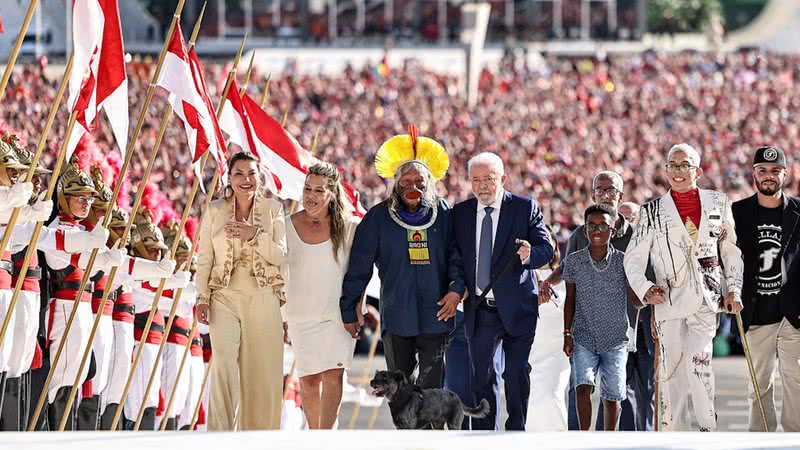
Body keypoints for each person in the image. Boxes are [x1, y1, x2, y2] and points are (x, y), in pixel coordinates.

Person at [624, 143, 743, 432]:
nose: (678, 171)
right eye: (673, 165)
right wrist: (646, 289)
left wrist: (734, 289)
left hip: (707, 297)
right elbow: (634, 259)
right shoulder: (650, 211)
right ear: (666, 170)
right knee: (672, 373)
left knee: (699, 362)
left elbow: (729, 251)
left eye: (684, 165)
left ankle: (706, 430)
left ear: (698, 171)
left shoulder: (718, 203)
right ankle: (673, 435)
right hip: (669, 301)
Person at [340, 126, 465, 391]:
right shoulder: (377, 218)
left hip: (437, 314)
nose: (413, 188)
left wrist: (456, 290)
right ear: (395, 183)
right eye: (406, 182)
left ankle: (431, 432)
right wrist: (350, 308)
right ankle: (406, 434)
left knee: (432, 391)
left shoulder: (443, 212)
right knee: (401, 392)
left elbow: (457, 254)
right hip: (397, 315)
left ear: (429, 183)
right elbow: (359, 268)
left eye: (420, 183)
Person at [540, 171, 653, 431]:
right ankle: (577, 440)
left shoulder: (637, 236)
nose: (605, 195)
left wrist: (654, 316)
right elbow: (568, 267)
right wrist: (548, 283)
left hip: (623, 328)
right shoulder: (582, 232)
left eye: (611, 191)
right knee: (580, 387)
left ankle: (610, 442)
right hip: (585, 328)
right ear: (592, 194)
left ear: (620, 196)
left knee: (616, 392)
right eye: (600, 190)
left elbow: (647, 278)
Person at [451, 152, 553, 431]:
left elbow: (547, 250)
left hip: (519, 307)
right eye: (476, 180)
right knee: (482, 377)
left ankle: (516, 430)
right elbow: (456, 258)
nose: (482, 186)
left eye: (489, 179)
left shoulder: (524, 208)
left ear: (503, 179)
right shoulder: (460, 213)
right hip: (480, 309)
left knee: (516, 373)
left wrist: (530, 254)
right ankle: (485, 436)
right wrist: (458, 288)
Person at [195, 152, 287, 430]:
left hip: (263, 298)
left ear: (260, 177)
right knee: (223, 361)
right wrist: (201, 298)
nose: (246, 180)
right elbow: (204, 258)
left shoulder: (274, 209)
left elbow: (281, 255)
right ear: (229, 178)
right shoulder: (214, 210)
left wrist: (254, 235)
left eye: (251, 174)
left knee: (261, 372)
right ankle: (220, 435)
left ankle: (257, 437)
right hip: (223, 296)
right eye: (239, 174)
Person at [43, 162, 126, 429]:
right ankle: (58, 434)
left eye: (89, 199)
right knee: (63, 379)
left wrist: (108, 257)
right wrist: (94, 243)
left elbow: (92, 261)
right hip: (65, 308)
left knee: (79, 376)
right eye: (80, 198)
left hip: (81, 309)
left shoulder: (80, 231)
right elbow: (69, 250)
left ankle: (68, 436)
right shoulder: (59, 226)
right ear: (64, 199)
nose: (86, 204)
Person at [286, 162, 361, 429]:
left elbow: (359, 272)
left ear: (332, 193)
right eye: (308, 188)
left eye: (319, 190)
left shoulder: (350, 227)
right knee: (308, 380)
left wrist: (358, 308)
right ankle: (314, 438)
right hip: (299, 315)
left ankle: (325, 440)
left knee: (332, 376)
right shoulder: (286, 226)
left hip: (337, 315)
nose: (311, 195)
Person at [732, 146, 800, 432]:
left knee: (796, 383)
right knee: (758, 386)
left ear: (785, 173)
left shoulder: (799, 210)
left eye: (774, 171)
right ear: (754, 174)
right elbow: (728, 257)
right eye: (762, 170)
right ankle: (760, 442)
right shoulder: (738, 211)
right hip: (756, 311)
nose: (768, 176)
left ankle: (794, 439)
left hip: (793, 314)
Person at [562, 204, 634, 431]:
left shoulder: (624, 261)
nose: (597, 231)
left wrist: (649, 294)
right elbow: (570, 299)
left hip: (615, 338)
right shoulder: (574, 261)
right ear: (584, 230)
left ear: (612, 230)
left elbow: (636, 299)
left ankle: (608, 441)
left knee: (612, 395)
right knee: (582, 386)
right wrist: (567, 333)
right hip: (583, 336)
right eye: (591, 226)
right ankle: (585, 438)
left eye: (603, 226)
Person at [526, 225, 569, 431]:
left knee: (552, 396)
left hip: (556, 352)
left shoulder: (564, 276)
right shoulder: (522, 276)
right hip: (528, 351)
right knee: (530, 402)